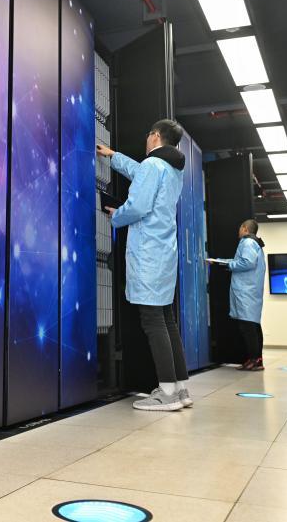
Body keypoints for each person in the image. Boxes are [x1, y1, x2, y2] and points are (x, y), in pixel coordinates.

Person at [96, 119, 190, 411]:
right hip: (164, 252)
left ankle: (166, 392)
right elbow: (142, 173)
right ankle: (180, 388)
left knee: (152, 320)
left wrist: (118, 215)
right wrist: (114, 156)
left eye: (148, 135)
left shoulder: (154, 165)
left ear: (155, 136)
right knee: (166, 319)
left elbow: (138, 205)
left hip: (149, 253)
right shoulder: (171, 170)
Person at [212, 220, 267, 371]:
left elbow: (247, 263)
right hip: (251, 291)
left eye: (240, 228)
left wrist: (228, 265)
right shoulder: (255, 244)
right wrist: (220, 262)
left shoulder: (247, 243)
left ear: (245, 228)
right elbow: (241, 261)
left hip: (246, 291)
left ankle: (255, 360)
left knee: (248, 327)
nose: (238, 231)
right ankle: (257, 359)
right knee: (253, 325)